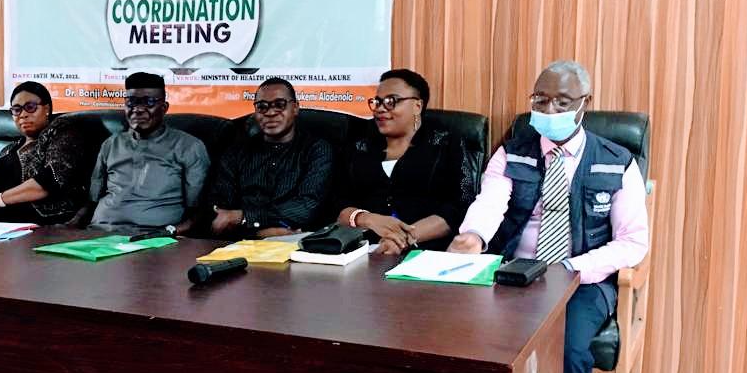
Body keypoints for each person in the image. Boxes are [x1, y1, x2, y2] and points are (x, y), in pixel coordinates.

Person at [447, 60, 649, 373]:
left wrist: (571, 268)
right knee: (466, 339)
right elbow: (491, 201)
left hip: (582, 281)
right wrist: (474, 236)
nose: (550, 109)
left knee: (569, 351)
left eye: (562, 102)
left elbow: (632, 241)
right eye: (540, 100)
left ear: (585, 103)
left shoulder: (617, 161)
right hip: (512, 273)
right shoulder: (512, 152)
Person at [336, 69, 476, 254]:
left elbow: (459, 207)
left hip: (426, 251)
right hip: (361, 251)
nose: (380, 108)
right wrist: (368, 219)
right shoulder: (358, 146)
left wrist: (405, 238)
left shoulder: (446, 144)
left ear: (417, 106)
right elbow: (337, 205)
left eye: (391, 101)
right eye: (377, 102)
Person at [71, 72, 209, 234]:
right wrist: (69, 225)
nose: (138, 110)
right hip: (100, 232)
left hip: (153, 236)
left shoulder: (189, 146)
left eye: (149, 102)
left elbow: (198, 211)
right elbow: (91, 201)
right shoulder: (111, 144)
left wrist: (173, 231)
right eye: (131, 102)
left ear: (164, 108)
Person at [209, 78, 333, 239]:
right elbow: (220, 210)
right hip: (240, 242)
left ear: (295, 108)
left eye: (279, 104)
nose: (270, 113)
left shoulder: (316, 149)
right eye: (262, 107)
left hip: (297, 242)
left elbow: (306, 207)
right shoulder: (236, 152)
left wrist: (244, 217)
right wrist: (260, 232)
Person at [0, 81, 87, 224]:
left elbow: (50, 182)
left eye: (30, 107)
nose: (23, 115)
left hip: (49, 224)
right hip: (3, 225)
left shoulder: (63, 133)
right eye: (16, 110)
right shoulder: (8, 149)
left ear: (47, 108)